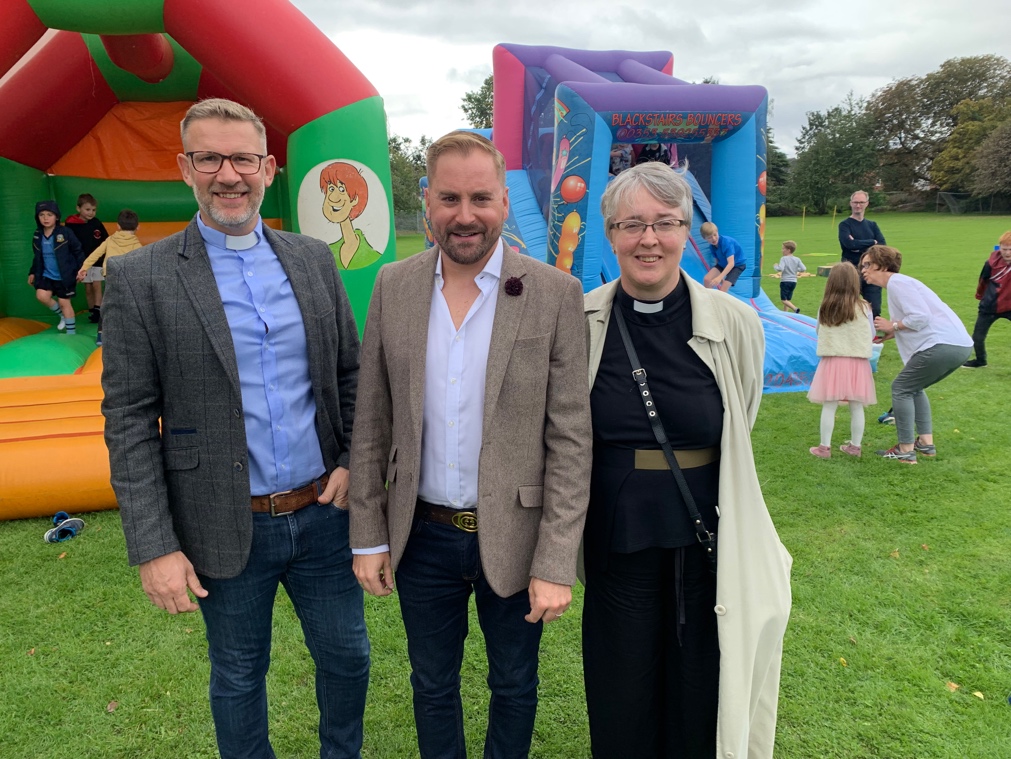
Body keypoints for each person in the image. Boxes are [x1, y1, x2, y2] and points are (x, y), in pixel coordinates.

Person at [101, 98, 369, 759]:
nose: (228, 174)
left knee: (349, 659)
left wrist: (355, 461)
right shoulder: (140, 275)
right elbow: (129, 416)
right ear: (184, 168)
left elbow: (350, 375)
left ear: (268, 168)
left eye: (243, 158)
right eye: (209, 158)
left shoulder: (311, 259)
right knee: (240, 674)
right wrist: (153, 548)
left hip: (322, 515)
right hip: (222, 521)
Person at [348, 130, 591, 758]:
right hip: (420, 535)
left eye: (480, 198)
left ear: (504, 203)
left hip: (515, 532)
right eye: (449, 198)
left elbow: (570, 437)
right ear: (426, 200)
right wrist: (369, 534)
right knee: (431, 685)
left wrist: (556, 559)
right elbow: (372, 421)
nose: (464, 215)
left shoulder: (555, 294)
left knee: (514, 682)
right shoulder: (392, 286)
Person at [582, 162, 792, 758]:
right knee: (621, 684)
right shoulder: (583, 318)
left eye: (665, 223)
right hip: (617, 534)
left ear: (687, 229)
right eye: (632, 225)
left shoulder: (735, 322)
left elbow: (741, 414)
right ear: (611, 233)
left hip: (708, 531)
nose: (649, 239)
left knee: (700, 680)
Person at [861, 245, 973, 463]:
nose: (863, 270)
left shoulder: (898, 283)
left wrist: (892, 324)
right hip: (958, 346)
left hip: (941, 345)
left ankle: (905, 450)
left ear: (882, 265)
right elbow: (920, 318)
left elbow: (921, 317)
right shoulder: (901, 284)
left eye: (867, 265)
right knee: (914, 388)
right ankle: (925, 444)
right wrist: (892, 332)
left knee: (901, 388)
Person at [807, 263, 877, 459]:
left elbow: (819, 331)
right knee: (857, 406)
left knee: (829, 405)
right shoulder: (865, 308)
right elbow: (871, 333)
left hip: (833, 362)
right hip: (858, 363)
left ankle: (824, 447)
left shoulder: (825, 307)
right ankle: (855, 446)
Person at [77, 209, 143, 346]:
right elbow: (141, 263)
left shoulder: (110, 240)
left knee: (107, 306)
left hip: (111, 277)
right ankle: (129, 335)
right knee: (129, 307)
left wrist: (84, 268)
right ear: (138, 227)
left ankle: (101, 335)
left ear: (118, 226)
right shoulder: (136, 244)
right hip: (129, 279)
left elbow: (96, 254)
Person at [28, 200, 83, 334]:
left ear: (57, 217)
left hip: (64, 275)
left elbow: (78, 251)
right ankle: (62, 316)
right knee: (41, 295)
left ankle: (71, 333)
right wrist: (33, 272)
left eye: (49, 214)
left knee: (65, 303)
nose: (45, 218)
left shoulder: (65, 232)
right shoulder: (37, 235)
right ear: (37, 217)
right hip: (46, 274)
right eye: (41, 215)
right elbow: (37, 256)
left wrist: (82, 270)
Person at [319, 161, 381, 270]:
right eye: (331, 189)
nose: (333, 197)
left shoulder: (372, 255)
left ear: (355, 199)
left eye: (342, 190)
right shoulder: (326, 252)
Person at [963, 231, 1011, 368]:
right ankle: (980, 360)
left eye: (1010, 250)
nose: (1007, 253)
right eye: (1004, 249)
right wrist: (980, 296)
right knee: (977, 337)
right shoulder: (991, 263)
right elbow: (983, 280)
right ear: (999, 247)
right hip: (990, 306)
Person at [838, 190, 885, 317]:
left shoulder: (872, 225)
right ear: (850, 203)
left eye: (861, 202)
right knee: (847, 305)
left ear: (867, 204)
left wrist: (859, 244)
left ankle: (872, 336)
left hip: (872, 270)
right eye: (855, 202)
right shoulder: (844, 225)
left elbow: (882, 245)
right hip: (851, 270)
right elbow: (849, 244)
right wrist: (871, 242)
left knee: (874, 309)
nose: (858, 205)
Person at [65, 193, 110, 324]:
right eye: (87, 209)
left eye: (93, 210)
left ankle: (98, 311)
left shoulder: (96, 223)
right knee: (88, 287)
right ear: (79, 209)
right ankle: (92, 311)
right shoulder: (71, 225)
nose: (91, 213)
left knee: (97, 284)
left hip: (98, 260)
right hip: (83, 262)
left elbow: (106, 239)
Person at [700, 221, 746, 292]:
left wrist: (719, 277)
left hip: (737, 265)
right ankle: (709, 299)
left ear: (717, 232)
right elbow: (717, 261)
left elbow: (731, 263)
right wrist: (719, 276)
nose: (714, 239)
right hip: (723, 263)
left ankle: (720, 301)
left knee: (723, 290)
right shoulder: (712, 247)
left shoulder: (726, 242)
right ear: (704, 238)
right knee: (707, 279)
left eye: (715, 235)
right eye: (709, 237)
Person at [774, 239, 806, 312]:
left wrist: (775, 266)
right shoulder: (797, 259)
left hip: (785, 281)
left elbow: (780, 269)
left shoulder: (784, 259)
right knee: (788, 299)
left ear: (788, 250)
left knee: (784, 300)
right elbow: (803, 268)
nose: (782, 250)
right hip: (793, 282)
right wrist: (796, 269)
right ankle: (786, 313)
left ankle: (795, 309)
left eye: (783, 249)